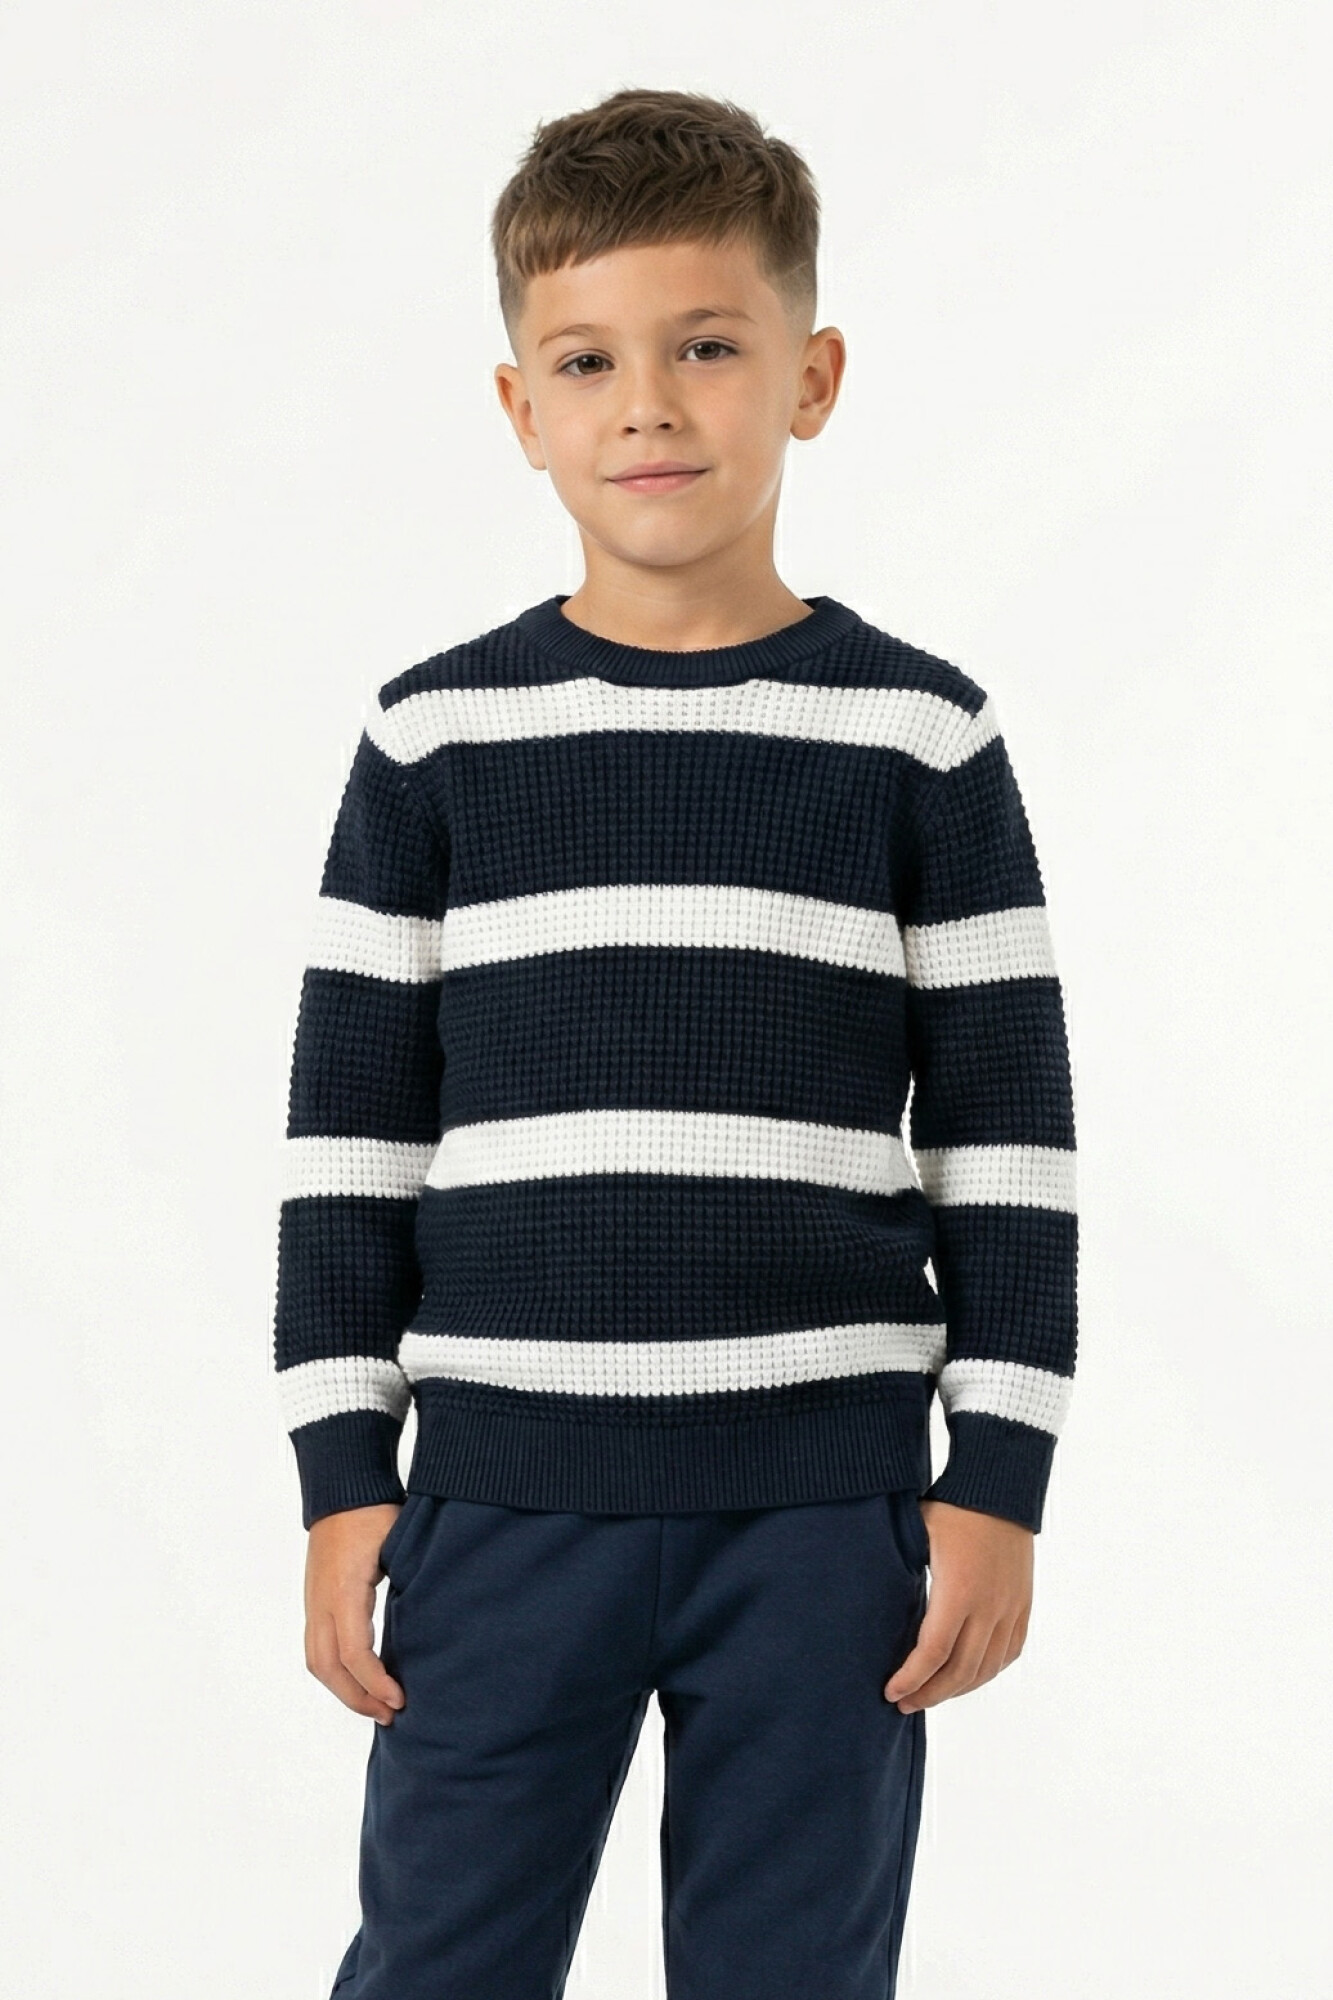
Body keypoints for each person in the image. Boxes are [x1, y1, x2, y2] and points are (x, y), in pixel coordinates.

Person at [272, 85, 1078, 2000]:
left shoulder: (919, 739)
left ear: (811, 377)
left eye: (706, 348)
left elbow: (1005, 1136)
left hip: (824, 1516)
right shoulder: (433, 740)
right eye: (589, 362)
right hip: (498, 1504)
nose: (647, 406)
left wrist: (996, 1476)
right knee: (439, 1962)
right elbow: (351, 1141)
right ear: (520, 406)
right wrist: (340, 1469)